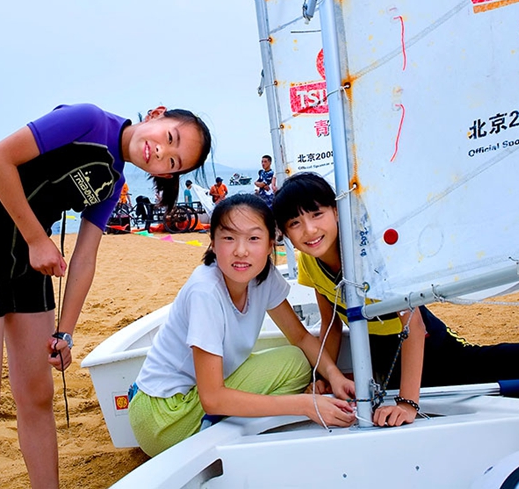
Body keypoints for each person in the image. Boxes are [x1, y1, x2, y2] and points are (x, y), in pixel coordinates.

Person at [0, 103, 211, 488]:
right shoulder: (87, 120)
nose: (161, 154)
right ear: (156, 114)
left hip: (31, 265)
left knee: (37, 396)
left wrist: (64, 333)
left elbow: (85, 258)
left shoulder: (114, 181)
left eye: (173, 162)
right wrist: (38, 239)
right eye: (169, 138)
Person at [273, 172, 519, 426]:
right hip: (379, 355)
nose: (309, 230)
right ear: (286, 233)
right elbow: (330, 324)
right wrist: (322, 377)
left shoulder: (371, 257)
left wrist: (408, 403)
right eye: (295, 223)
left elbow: (414, 327)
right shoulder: (308, 262)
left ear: (335, 211)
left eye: (317, 215)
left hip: (429, 346)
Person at [128, 194, 355, 457]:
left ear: (271, 244)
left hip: (193, 400)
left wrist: (334, 376)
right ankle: (220, 432)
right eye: (229, 238)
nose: (241, 250)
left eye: (254, 238)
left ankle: (233, 423)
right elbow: (212, 398)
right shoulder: (206, 291)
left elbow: (301, 338)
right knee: (289, 374)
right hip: (163, 417)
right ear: (212, 243)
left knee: (296, 361)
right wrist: (304, 404)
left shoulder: (261, 277)